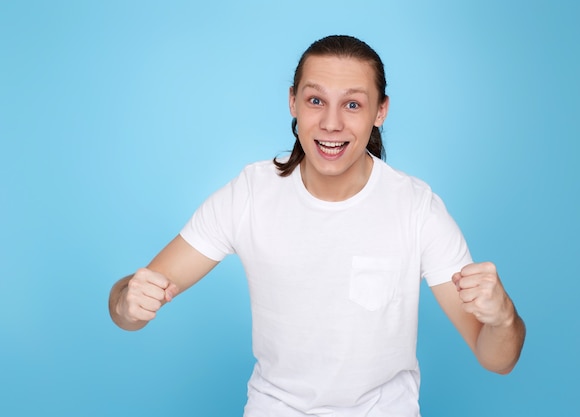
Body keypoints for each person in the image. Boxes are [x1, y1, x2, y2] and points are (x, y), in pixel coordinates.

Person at [109, 35, 525, 416]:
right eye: (315, 101)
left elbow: (497, 359)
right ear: (292, 102)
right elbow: (129, 305)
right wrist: (129, 302)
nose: (330, 123)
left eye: (352, 104)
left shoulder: (417, 209)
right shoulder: (249, 195)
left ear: (380, 111)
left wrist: (503, 317)